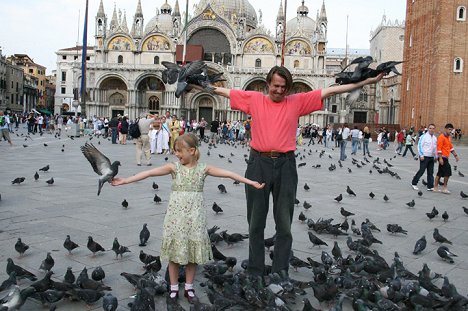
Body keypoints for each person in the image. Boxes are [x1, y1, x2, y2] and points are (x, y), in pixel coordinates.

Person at [199, 65, 383, 276]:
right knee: (256, 222)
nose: (279, 90)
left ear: (289, 89)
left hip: (286, 164)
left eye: (283, 87)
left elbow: (332, 90)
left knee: (284, 224)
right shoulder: (254, 99)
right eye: (275, 86)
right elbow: (221, 90)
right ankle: (255, 270)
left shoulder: (296, 101)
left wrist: (366, 82)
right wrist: (193, 82)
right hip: (258, 163)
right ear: (268, 84)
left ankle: (281, 270)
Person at [111, 133, 264, 303]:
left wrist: (250, 182)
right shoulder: (174, 168)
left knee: (193, 255)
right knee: (175, 255)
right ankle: (174, 288)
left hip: (195, 217)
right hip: (176, 218)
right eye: (175, 150)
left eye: (179, 151)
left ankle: (189, 288)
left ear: (191, 150)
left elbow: (228, 173)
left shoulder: (203, 169)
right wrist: (125, 180)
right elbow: (149, 173)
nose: (176, 154)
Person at [434, 123, 460, 193]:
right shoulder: (441, 137)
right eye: (449, 129)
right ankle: (444, 188)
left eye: (451, 130)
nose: (450, 131)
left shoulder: (448, 137)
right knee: (448, 172)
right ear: (445, 129)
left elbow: (451, 147)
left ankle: (435, 187)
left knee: (440, 173)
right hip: (442, 157)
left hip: (445, 157)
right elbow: (439, 148)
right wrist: (440, 158)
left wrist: (456, 155)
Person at [411, 124, 437, 191]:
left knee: (430, 172)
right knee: (421, 170)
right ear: (428, 129)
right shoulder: (424, 136)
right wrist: (421, 155)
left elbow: (435, 148)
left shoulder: (435, 138)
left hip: (431, 157)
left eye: (433, 128)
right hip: (424, 156)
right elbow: (419, 146)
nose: (432, 129)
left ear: (434, 129)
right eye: (430, 128)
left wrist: (436, 156)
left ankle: (430, 186)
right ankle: (414, 183)